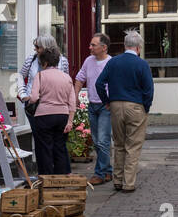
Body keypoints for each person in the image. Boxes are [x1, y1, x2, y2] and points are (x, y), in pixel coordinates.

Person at [95, 30, 154, 192]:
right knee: (133, 146)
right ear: (138, 47)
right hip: (135, 106)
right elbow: (149, 90)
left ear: (125, 45)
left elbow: (99, 83)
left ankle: (117, 180)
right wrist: (145, 107)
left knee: (119, 144)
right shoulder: (142, 64)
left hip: (115, 105)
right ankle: (128, 183)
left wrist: (107, 101)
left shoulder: (113, 62)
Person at [25, 43, 75, 175]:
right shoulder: (67, 78)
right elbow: (72, 102)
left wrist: (28, 99)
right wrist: (70, 121)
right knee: (60, 146)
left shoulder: (40, 76)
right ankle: (62, 177)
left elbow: (34, 97)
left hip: (44, 116)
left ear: (44, 62)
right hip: (62, 116)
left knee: (45, 147)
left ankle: (47, 178)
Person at [75, 33, 113, 186]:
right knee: (97, 141)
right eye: (91, 44)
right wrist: (75, 95)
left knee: (103, 141)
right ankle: (108, 171)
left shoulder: (111, 63)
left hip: (106, 106)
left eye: (93, 45)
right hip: (92, 105)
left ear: (104, 47)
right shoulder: (88, 61)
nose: (89, 47)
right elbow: (79, 78)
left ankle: (100, 173)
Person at [19, 34, 69, 125]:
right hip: (33, 104)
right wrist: (23, 94)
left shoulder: (62, 61)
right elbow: (20, 76)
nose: (35, 49)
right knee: (37, 133)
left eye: (37, 47)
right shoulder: (31, 59)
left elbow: (67, 81)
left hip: (56, 104)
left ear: (47, 48)